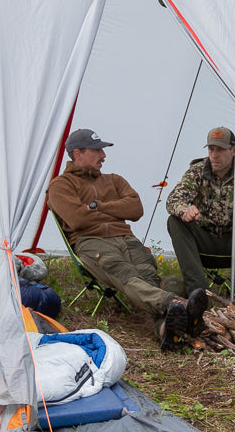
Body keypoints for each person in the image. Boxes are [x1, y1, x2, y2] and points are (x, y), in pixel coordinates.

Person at [47, 128, 208, 349]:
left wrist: (97, 206)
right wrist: (114, 210)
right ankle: (173, 302)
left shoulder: (114, 180)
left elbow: (135, 209)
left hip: (126, 239)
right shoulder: (60, 186)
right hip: (92, 242)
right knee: (126, 274)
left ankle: (166, 330)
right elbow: (78, 219)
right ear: (77, 153)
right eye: (97, 150)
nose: (103, 156)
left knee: (148, 277)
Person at [165, 126, 235, 296]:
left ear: (233, 150)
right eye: (211, 149)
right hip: (205, 244)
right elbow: (173, 199)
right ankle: (198, 293)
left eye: (220, 149)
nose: (214, 155)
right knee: (174, 221)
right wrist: (184, 210)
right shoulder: (196, 171)